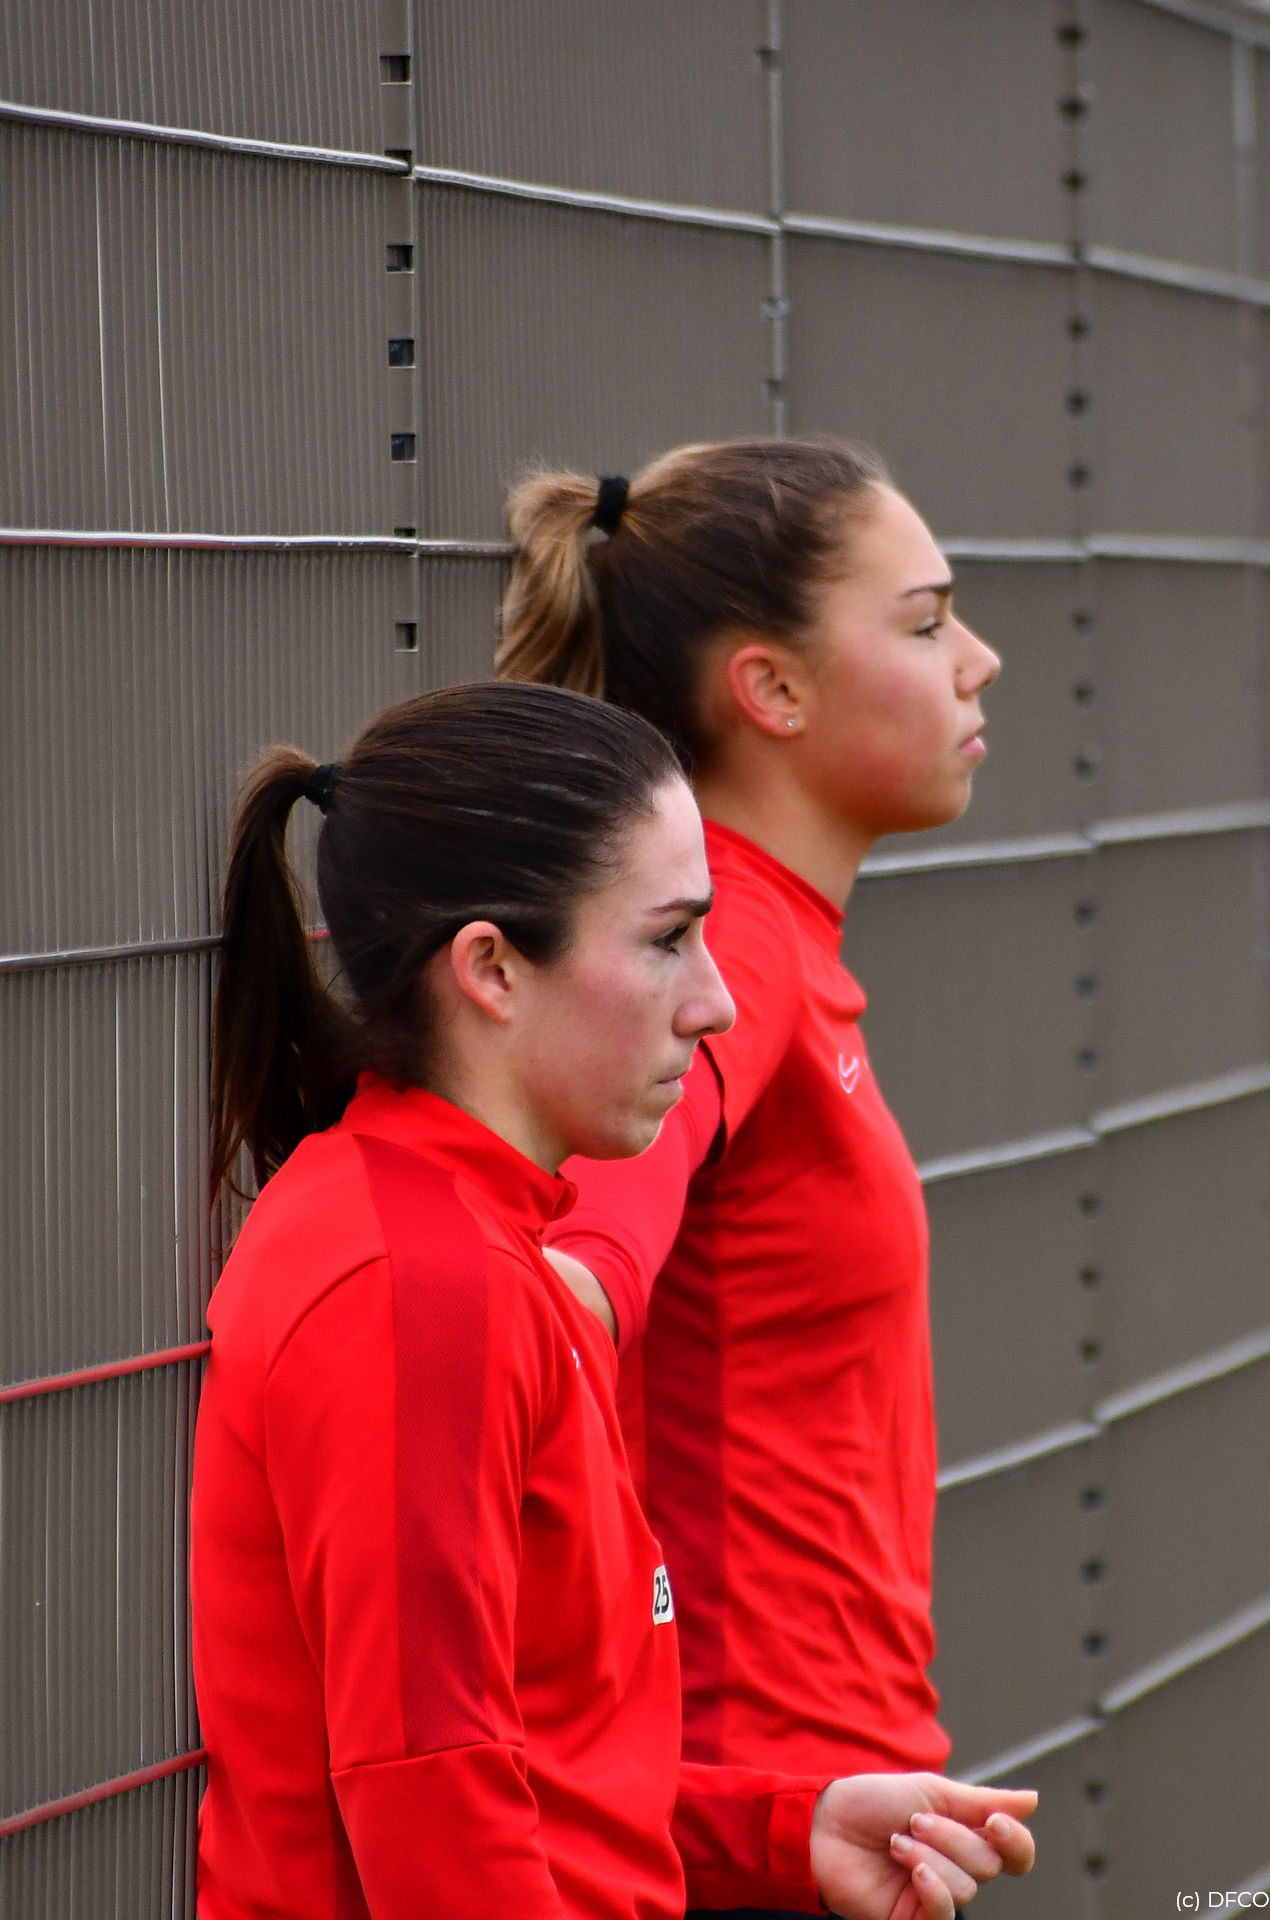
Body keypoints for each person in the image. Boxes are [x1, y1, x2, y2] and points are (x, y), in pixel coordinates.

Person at [192, 681, 1034, 1920]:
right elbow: (436, 1805)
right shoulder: (419, 1284)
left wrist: (781, 1827)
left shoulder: (473, 1241)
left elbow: (542, 1772)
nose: (714, 1001)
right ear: (490, 968)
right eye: (665, 940)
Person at [496, 443, 1004, 1919]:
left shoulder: (766, 941)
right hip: (756, 1814)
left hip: (834, 1795)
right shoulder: (736, 952)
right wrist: (575, 1294)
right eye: (925, 621)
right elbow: (585, 1248)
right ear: (771, 690)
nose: (977, 659)